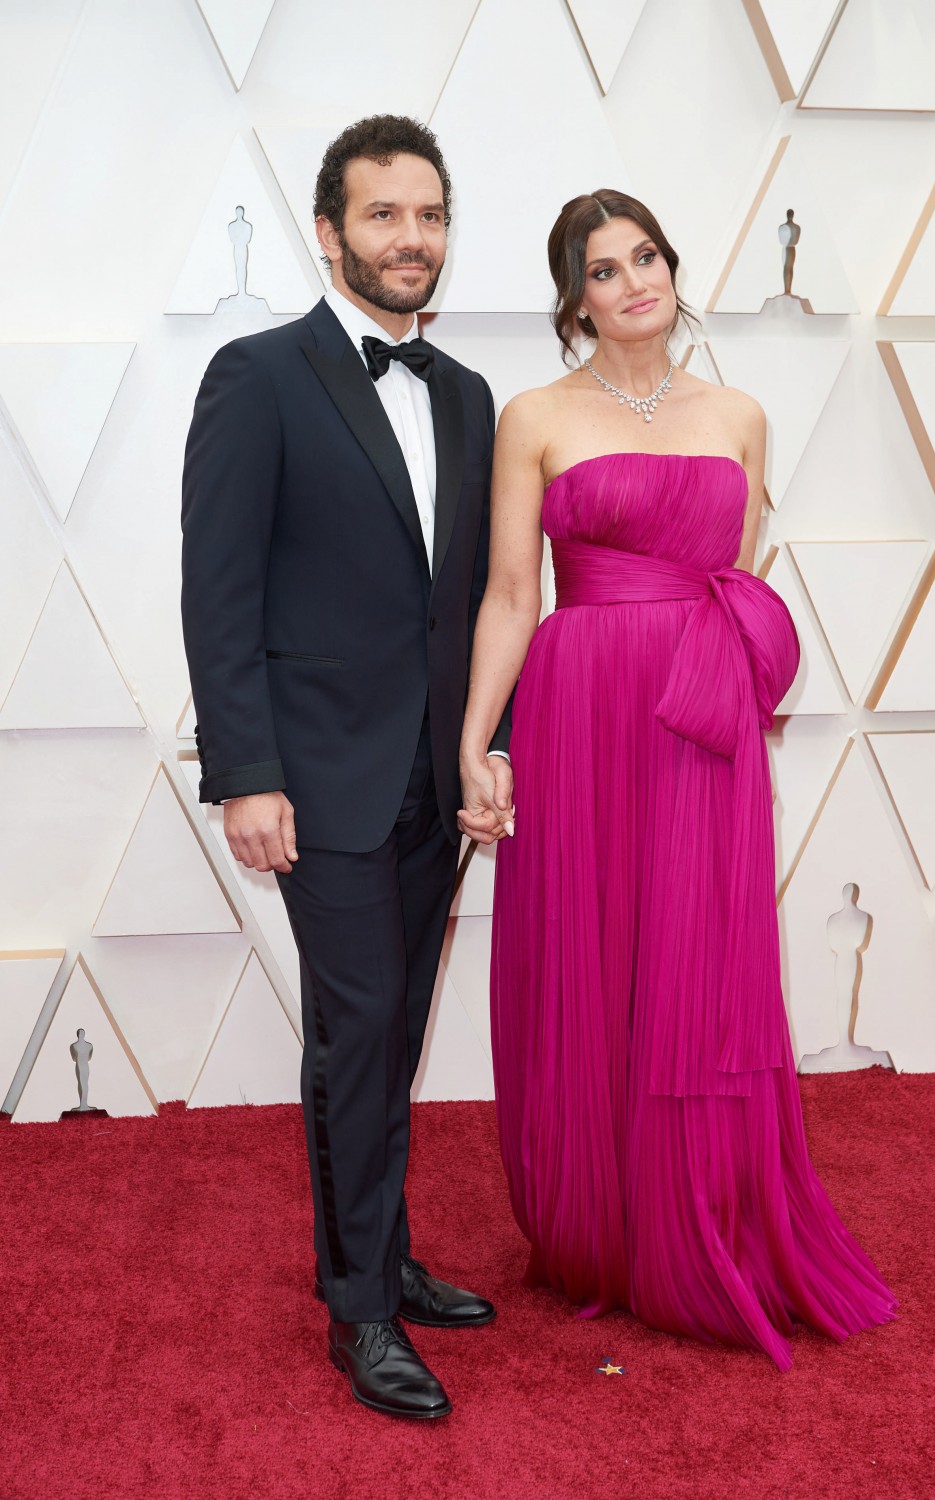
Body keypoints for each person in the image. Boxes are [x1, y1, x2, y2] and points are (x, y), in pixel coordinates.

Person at [458, 189, 896, 1370]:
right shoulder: (535, 417)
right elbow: (512, 593)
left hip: (697, 715)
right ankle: (604, 1225)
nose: (632, 282)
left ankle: (701, 1214)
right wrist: (475, 737)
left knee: (697, 959)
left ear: (670, 266)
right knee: (593, 953)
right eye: (602, 270)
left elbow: (729, 575)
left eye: (644, 257)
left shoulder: (740, 413)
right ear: (575, 297)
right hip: (580, 704)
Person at [181, 114, 512, 1421]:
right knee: (360, 1027)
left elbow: (481, 594)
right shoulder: (255, 376)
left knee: (399, 1030)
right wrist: (246, 772)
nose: (411, 238)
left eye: (428, 216)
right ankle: (360, 1309)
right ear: (331, 233)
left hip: (434, 779)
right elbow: (220, 592)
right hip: (316, 779)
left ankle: (384, 1254)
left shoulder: (469, 397)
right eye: (385, 215)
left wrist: (490, 745)